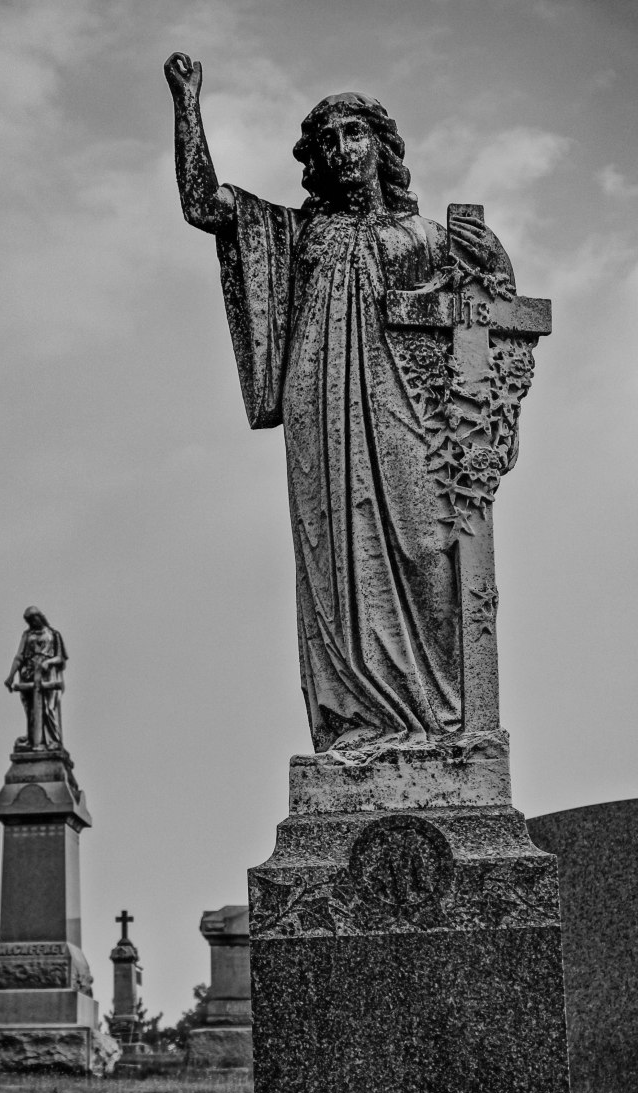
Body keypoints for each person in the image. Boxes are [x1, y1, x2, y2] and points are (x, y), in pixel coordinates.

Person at [164, 54, 516, 752]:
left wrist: (494, 259)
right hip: (321, 409)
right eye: (327, 140)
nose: (342, 149)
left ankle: (445, 722)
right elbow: (205, 205)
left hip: (408, 409)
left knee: (428, 545)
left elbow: (494, 320)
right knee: (337, 565)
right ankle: (359, 719)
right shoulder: (300, 232)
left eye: (354, 133)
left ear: (382, 146)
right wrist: (187, 107)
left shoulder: (428, 239)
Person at [5, 607, 67, 750]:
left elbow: (60, 658)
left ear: (40, 617)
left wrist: (48, 662)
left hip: (47, 674)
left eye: (34, 619)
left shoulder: (53, 634)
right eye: (29, 621)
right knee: (31, 710)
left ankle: (53, 740)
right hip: (28, 674)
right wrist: (11, 676)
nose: (33, 623)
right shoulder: (27, 635)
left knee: (49, 708)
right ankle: (34, 740)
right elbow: (19, 657)